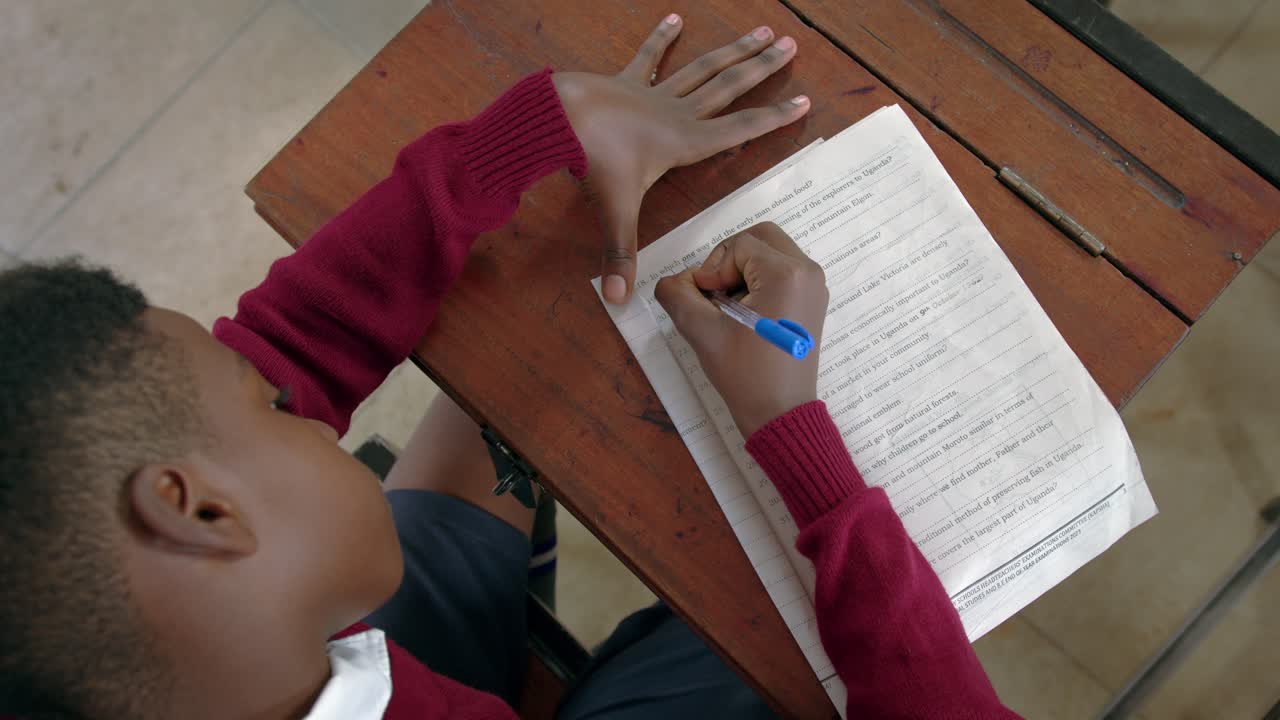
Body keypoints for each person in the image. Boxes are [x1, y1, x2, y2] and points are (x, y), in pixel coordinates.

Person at [0, 14, 1018, 720]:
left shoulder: (160, 643)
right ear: (201, 514)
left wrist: (529, 133)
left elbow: (291, 341)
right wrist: (800, 448)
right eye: (273, 408)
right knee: (779, 647)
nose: (288, 390)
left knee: (486, 419)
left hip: (358, 654)